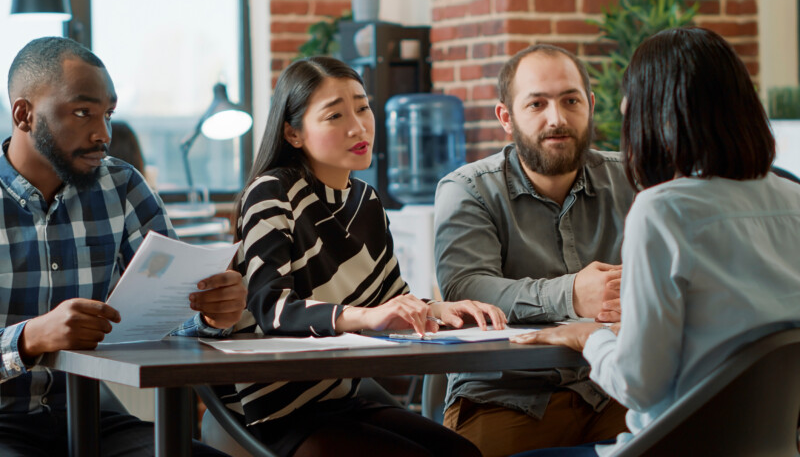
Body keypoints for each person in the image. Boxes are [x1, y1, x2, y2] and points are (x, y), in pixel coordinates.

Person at [510, 27, 800, 456]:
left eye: (631, 102)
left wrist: (589, 337)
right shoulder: (794, 200)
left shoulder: (663, 210)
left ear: (657, 112)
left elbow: (639, 386)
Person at [227, 55, 505, 457]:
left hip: (338, 397)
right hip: (274, 410)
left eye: (362, 107)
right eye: (335, 116)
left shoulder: (366, 202)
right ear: (293, 133)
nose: (358, 127)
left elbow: (390, 298)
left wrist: (442, 309)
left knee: (464, 453)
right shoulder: (271, 192)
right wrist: (363, 317)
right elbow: (272, 309)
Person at [0, 36, 247, 457]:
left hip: (89, 413)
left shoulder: (123, 186)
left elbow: (168, 321)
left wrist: (209, 313)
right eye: (82, 113)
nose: (103, 134)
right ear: (24, 115)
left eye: (108, 114)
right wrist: (30, 338)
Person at [434, 44, 636, 456]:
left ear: (590, 106)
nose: (557, 118)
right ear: (506, 118)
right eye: (537, 104)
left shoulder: (633, 178)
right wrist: (572, 294)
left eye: (570, 100)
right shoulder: (468, 189)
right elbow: (465, 288)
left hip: (615, 386)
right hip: (509, 394)